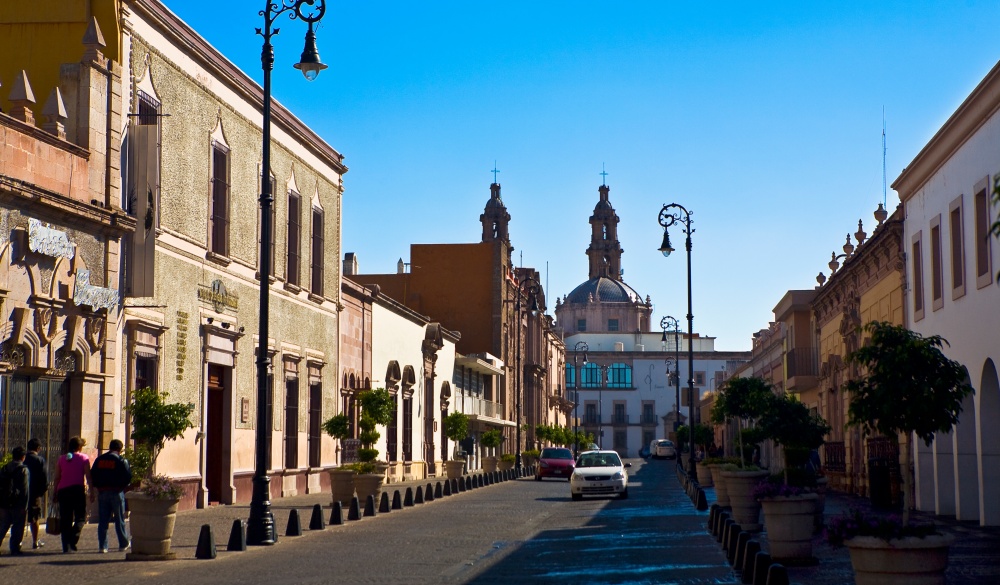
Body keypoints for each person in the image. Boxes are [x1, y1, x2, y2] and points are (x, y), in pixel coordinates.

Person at [91, 439, 132, 553]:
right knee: (119, 519)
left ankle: (103, 546)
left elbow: (93, 474)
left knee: (103, 520)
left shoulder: (99, 460)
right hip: (116, 492)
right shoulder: (121, 460)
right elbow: (128, 476)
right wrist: (121, 487)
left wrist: (98, 487)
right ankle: (123, 543)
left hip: (103, 492)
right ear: (120, 449)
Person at [52, 436, 92, 553]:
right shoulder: (84, 458)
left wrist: (55, 492)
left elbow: (57, 477)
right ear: (79, 447)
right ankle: (72, 539)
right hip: (77, 490)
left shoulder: (61, 459)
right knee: (80, 517)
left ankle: (66, 545)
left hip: (63, 491)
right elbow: (88, 476)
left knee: (66, 518)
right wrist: (92, 491)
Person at [0, 446, 30, 555]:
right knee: (18, 525)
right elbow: (25, 489)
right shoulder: (23, 469)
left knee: (3, 524)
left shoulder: (5, 468)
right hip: (17, 502)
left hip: (4, 501)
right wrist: (25, 506)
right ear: (23, 457)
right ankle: (14, 547)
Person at [23, 438, 47, 550]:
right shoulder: (40, 460)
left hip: (22, 492)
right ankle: (35, 541)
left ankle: (18, 541)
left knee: (20, 517)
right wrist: (41, 492)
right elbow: (44, 477)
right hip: (35, 492)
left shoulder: (23, 458)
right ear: (38, 448)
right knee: (35, 517)